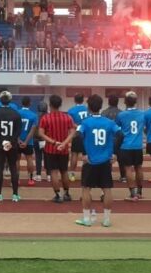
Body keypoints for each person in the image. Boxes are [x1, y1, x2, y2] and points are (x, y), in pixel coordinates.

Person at [67, 94, 118, 227]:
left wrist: (84, 154)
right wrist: (114, 153)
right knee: (107, 189)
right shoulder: (109, 122)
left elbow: (77, 136)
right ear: (101, 106)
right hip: (105, 160)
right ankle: (106, 220)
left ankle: (87, 218)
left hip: (90, 161)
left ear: (89, 107)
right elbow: (120, 135)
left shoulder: (85, 123)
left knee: (86, 189)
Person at [38, 94, 74, 203]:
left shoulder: (45, 118)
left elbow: (41, 133)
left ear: (50, 105)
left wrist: (53, 142)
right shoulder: (67, 117)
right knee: (64, 171)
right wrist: (64, 143)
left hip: (50, 149)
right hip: (63, 149)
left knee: (53, 171)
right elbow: (73, 132)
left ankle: (58, 195)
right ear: (60, 105)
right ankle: (67, 193)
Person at [0, 91, 23, 202]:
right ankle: (15, 194)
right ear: (10, 100)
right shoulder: (16, 114)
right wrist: (11, 141)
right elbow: (18, 131)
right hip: (12, 144)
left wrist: (2, 141)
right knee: (13, 167)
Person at [116, 91, 145, 201]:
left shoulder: (121, 115)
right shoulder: (142, 114)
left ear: (125, 102)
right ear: (135, 102)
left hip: (126, 146)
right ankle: (140, 191)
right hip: (138, 146)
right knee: (139, 168)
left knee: (128, 169)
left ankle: (132, 194)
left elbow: (117, 130)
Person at [66, 94, 89, 182]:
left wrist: (79, 127)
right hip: (86, 135)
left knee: (74, 154)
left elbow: (70, 123)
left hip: (77, 135)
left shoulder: (71, 110)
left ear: (75, 100)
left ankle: (72, 174)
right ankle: (86, 174)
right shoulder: (88, 109)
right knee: (86, 155)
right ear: (83, 100)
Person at [18, 96, 39, 185]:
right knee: (29, 159)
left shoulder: (16, 113)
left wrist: (18, 140)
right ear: (30, 103)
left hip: (17, 140)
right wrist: (26, 142)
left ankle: (17, 179)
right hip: (29, 142)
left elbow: (14, 129)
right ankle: (30, 179)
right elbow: (32, 131)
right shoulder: (34, 115)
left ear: (21, 103)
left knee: (16, 160)